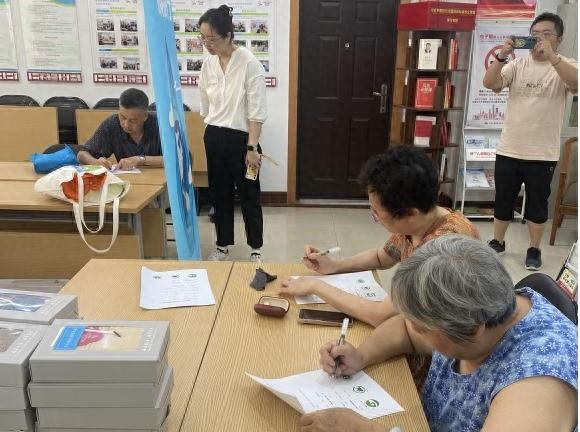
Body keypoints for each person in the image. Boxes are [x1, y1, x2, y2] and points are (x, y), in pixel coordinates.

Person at [306, 235, 577, 432]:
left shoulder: (539, 381)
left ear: (471, 329)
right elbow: (406, 330)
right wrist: (361, 355)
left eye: (423, 327)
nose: (413, 328)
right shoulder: (479, 309)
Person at [280, 146, 480, 328]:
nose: (375, 217)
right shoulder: (420, 221)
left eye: (377, 213)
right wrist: (335, 266)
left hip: (444, 350)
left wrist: (316, 286)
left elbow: (379, 315)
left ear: (410, 213)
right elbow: (382, 257)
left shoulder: (442, 250)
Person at [482, 12, 578, 271]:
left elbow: (576, 83)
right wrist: (502, 55)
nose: (540, 39)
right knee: (503, 199)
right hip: (509, 148)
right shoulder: (517, 65)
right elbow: (490, 83)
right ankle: (497, 242)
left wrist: (553, 58)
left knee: (537, 205)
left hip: (542, 153)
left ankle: (534, 249)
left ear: (559, 39)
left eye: (546, 34)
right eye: (535, 35)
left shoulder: (566, 65)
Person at [198, 4, 267, 262]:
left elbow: (256, 111)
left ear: (228, 36)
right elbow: (205, 105)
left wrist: (252, 148)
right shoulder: (208, 65)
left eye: (212, 38)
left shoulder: (249, 63)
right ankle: (223, 245)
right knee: (220, 193)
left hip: (243, 141)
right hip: (215, 136)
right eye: (203, 38)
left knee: (250, 195)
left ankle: (256, 248)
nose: (207, 44)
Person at [77, 88, 163, 170]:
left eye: (132, 121)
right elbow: (82, 154)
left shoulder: (160, 124)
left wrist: (140, 160)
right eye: (122, 117)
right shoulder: (112, 124)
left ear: (145, 116)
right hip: (128, 181)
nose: (126, 125)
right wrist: (95, 162)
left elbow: (174, 158)